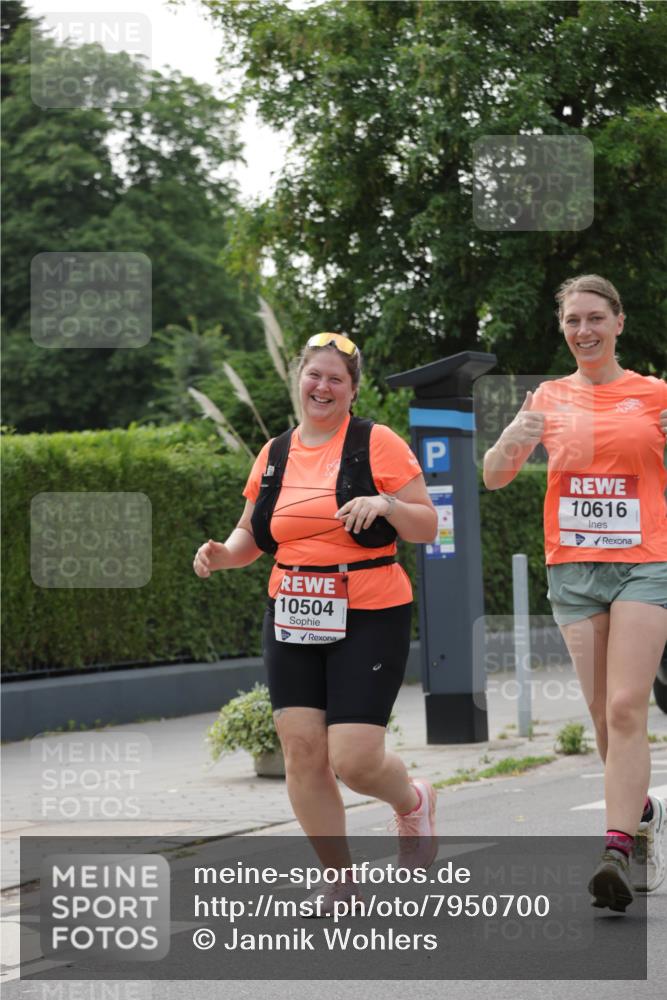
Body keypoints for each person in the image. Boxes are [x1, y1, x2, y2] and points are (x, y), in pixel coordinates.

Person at [194, 332, 439, 911]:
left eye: (335, 378)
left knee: (352, 760)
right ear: (298, 380)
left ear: (352, 391)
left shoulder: (377, 443)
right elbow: (254, 532)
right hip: (293, 610)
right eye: (314, 375)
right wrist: (224, 553)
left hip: (371, 608)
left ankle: (412, 802)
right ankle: (341, 879)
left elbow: (428, 525)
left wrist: (387, 506)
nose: (321, 386)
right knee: (302, 751)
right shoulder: (275, 452)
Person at [483, 274, 667, 912]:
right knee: (599, 714)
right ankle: (641, 812)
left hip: (644, 564)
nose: (583, 331)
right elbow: (496, 476)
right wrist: (515, 433)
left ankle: (615, 846)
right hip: (573, 569)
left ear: (619, 321)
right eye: (572, 322)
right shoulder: (549, 397)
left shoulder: (655, 395)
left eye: (594, 318)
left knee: (624, 707)